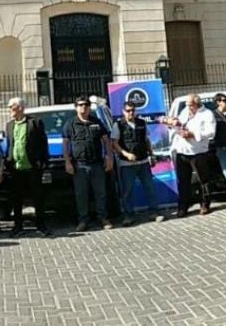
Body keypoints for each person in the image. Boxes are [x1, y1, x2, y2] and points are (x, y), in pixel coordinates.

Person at [63, 95, 114, 232]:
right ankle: (83, 220)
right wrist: (67, 162)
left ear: (89, 107)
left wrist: (109, 157)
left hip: (97, 164)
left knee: (100, 193)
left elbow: (106, 140)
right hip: (79, 165)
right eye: (80, 105)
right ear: (76, 107)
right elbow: (66, 144)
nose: (83, 107)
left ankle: (103, 218)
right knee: (81, 194)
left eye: (86, 105)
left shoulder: (96, 122)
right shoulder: (70, 124)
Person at [110, 102, 164, 226]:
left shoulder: (141, 123)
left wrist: (152, 154)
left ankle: (154, 212)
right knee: (127, 191)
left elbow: (146, 140)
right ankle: (128, 215)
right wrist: (126, 154)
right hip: (127, 164)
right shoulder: (118, 125)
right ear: (123, 111)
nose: (131, 113)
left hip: (143, 161)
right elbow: (114, 143)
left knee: (149, 187)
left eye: (133, 110)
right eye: (128, 110)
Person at [166, 93, 217, 217]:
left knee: (203, 180)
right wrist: (173, 123)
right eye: (187, 105)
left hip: (197, 152)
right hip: (181, 150)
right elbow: (179, 125)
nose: (188, 107)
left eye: (190, 105)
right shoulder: (184, 112)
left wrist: (193, 134)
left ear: (197, 104)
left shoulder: (207, 114)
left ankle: (205, 203)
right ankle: (183, 206)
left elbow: (211, 132)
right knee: (183, 181)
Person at [5, 97, 49, 236]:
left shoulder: (34, 122)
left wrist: (43, 161)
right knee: (17, 199)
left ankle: (41, 225)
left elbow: (43, 142)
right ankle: (18, 226)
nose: (9, 110)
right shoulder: (9, 125)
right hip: (16, 168)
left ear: (20, 108)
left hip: (32, 166)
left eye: (11, 107)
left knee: (38, 197)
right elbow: (10, 144)